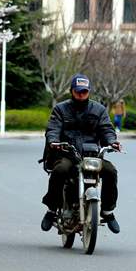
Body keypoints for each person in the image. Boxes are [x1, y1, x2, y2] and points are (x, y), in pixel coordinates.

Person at [41, 74, 122, 234]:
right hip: (67, 154)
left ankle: (107, 211)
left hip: (92, 156)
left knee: (111, 171)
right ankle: (51, 209)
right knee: (60, 171)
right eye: (78, 91)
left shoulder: (99, 110)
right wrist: (53, 141)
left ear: (89, 92)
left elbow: (106, 129)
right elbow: (53, 128)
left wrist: (112, 141)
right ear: (71, 91)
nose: (81, 94)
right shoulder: (60, 109)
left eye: (84, 91)